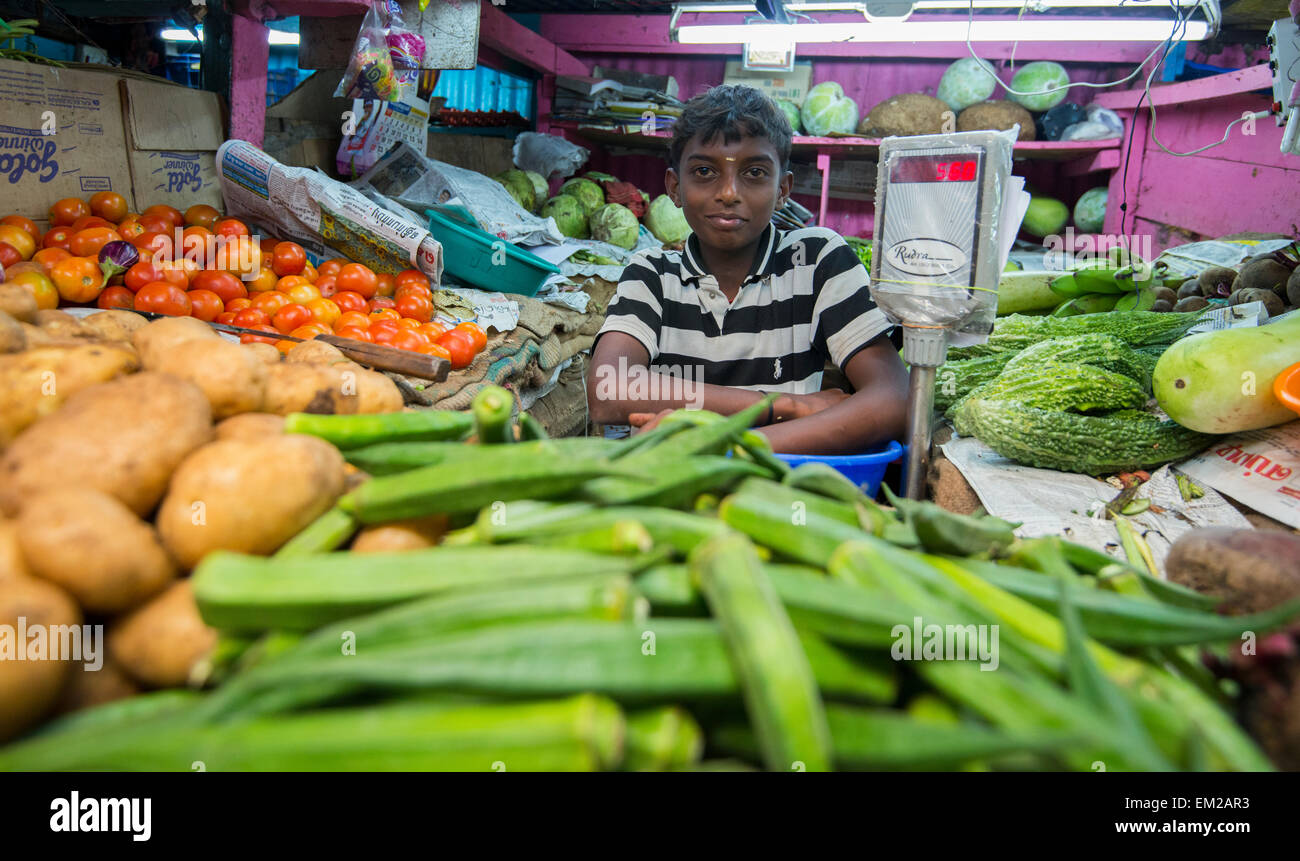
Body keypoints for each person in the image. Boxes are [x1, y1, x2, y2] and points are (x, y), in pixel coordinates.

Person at [587, 84, 908, 455]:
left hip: (780, 484)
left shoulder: (817, 261)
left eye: (754, 172)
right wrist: (779, 405)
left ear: (783, 189)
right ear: (675, 188)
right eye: (705, 171)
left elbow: (893, 399)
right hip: (676, 491)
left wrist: (730, 445)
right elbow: (607, 390)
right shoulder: (652, 275)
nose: (728, 192)